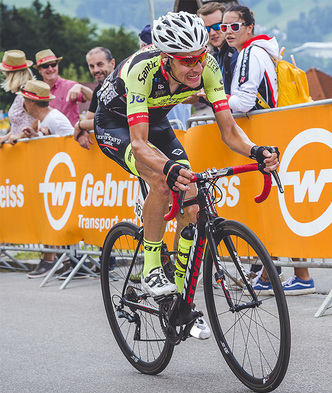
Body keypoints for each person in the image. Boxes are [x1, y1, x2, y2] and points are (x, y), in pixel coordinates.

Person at [94, 11, 279, 318]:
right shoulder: (143, 70)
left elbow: (230, 131)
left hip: (157, 124)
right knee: (162, 182)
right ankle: (153, 267)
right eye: (187, 61)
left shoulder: (209, 67)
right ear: (166, 59)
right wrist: (167, 169)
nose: (196, 67)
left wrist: (256, 151)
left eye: (200, 57)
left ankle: (178, 292)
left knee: (191, 202)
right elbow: (139, 144)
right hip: (116, 126)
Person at [223, 5, 315, 295]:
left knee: (273, 207)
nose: (227, 32)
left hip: (265, 135)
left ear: (249, 27)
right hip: (271, 132)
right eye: (222, 28)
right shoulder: (259, 51)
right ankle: (278, 275)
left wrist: (211, 98)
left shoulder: (251, 53)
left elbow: (244, 102)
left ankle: (294, 275)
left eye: (234, 26)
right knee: (275, 206)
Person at [13, 79, 74, 278]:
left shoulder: (54, 119)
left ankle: (64, 260)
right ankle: (61, 260)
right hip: (54, 180)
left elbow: (71, 145)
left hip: (64, 180)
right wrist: (35, 135)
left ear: (30, 102)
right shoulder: (43, 120)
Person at [139, 24, 192, 129]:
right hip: (184, 131)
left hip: (166, 133)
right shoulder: (182, 69)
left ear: (144, 46)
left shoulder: (148, 75)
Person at [34, 49, 93, 125]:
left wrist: (81, 87)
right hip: (48, 136)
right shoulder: (37, 91)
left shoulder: (70, 85)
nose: (50, 69)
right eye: (45, 66)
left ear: (57, 66)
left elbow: (92, 98)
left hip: (71, 135)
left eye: (53, 65)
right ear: (39, 70)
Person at [74, 47, 115, 150]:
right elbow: (89, 118)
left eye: (100, 64)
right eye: (92, 66)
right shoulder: (98, 90)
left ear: (112, 63)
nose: (96, 70)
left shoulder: (120, 84)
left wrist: (80, 125)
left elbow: (110, 121)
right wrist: (83, 131)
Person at [197, 1, 237, 95]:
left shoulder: (235, 54)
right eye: (206, 29)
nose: (212, 33)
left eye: (216, 26)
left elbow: (234, 98)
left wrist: (201, 98)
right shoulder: (214, 55)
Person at [0, 50, 36, 146]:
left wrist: (21, 135)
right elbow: (21, 124)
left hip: (28, 146)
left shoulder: (25, 95)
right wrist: (6, 137)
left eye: (5, 72)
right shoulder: (22, 93)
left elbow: (40, 118)